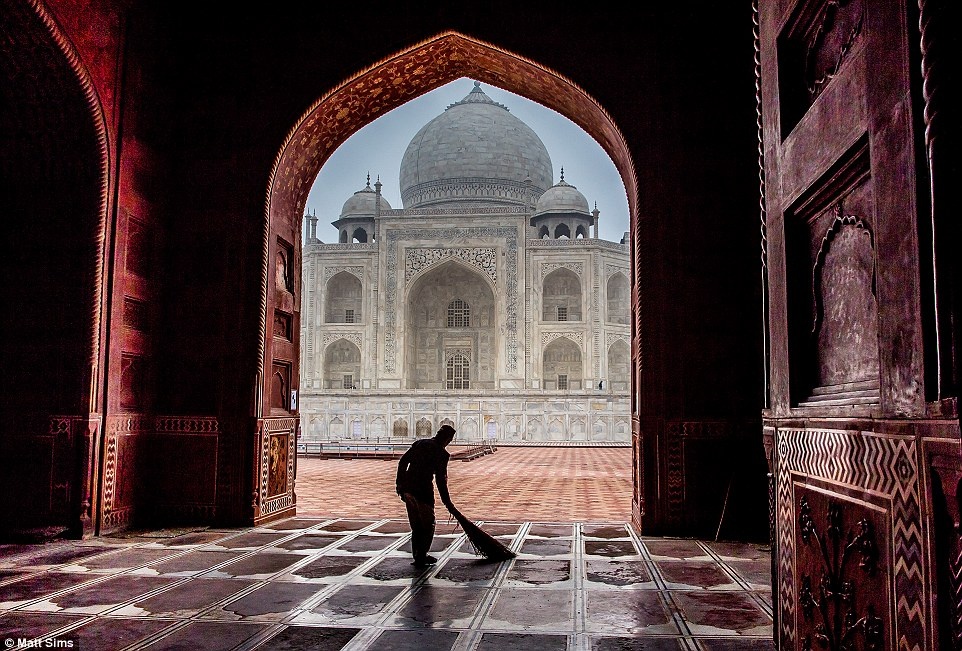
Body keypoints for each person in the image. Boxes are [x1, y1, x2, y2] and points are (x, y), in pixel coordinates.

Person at [395, 424, 457, 567]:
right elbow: (441, 481)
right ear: (448, 439)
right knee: (428, 525)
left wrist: (400, 484)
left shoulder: (421, 443)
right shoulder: (442, 454)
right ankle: (421, 555)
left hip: (408, 489)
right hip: (423, 492)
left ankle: (418, 555)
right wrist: (447, 503)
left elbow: (403, 462)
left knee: (416, 525)